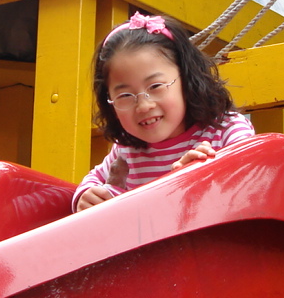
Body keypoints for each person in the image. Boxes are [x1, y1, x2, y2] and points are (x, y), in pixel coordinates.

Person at [73, 12, 254, 212]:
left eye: (155, 86)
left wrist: (204, 176)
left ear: (186, 78)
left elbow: (252, 180)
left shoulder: (226, 130)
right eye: (125, 95)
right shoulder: (126, 149)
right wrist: (86, 195)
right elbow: (93, 180)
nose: (143, 106)